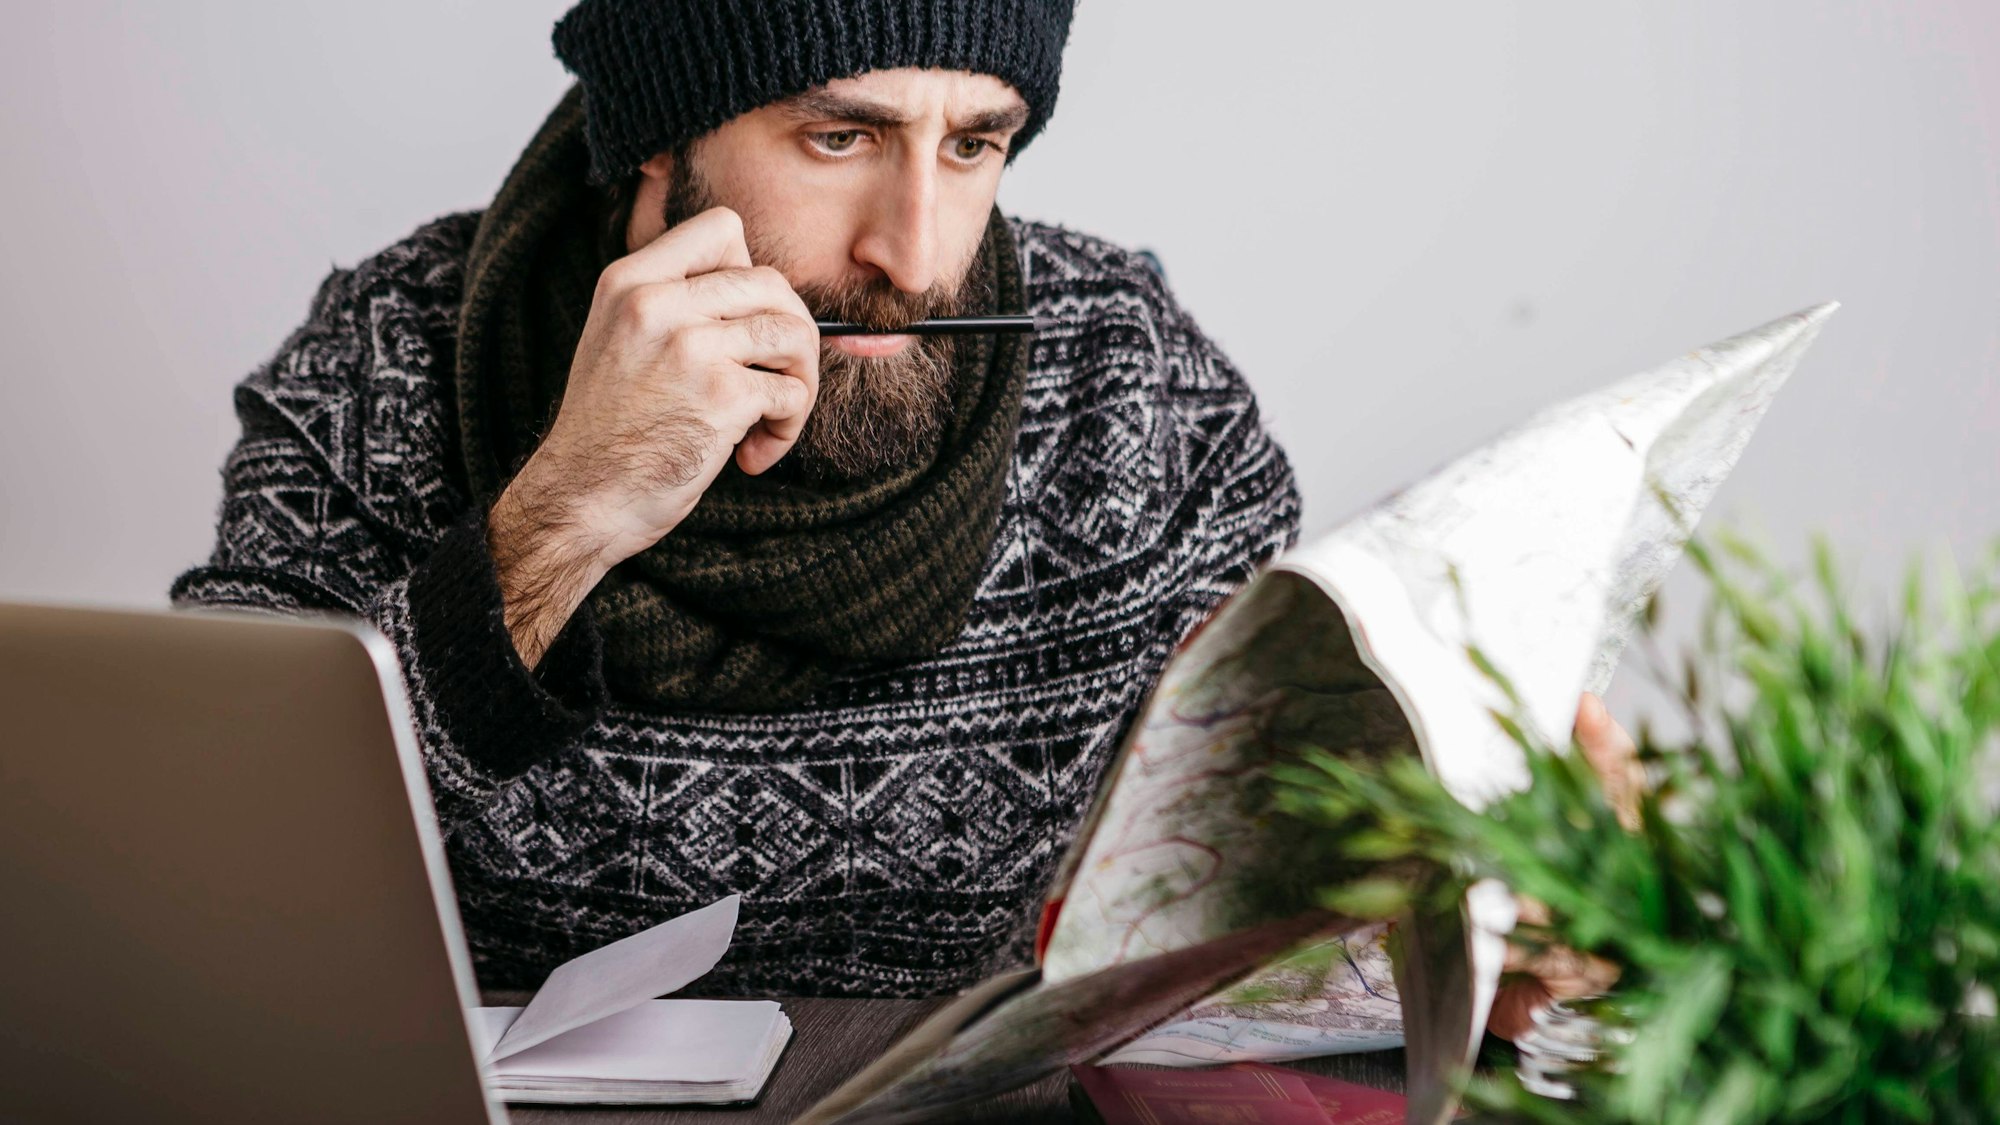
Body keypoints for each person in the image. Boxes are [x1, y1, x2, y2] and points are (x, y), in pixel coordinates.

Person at [172, 0, 1633, 1039]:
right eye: (837, 137)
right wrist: (557, 518)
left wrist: (1471, 936)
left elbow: (1259, 917)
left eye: (977, 143)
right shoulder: (383, 364)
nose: (916, 254)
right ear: (655, 146)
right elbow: (198, 892)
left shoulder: (1133, 393)